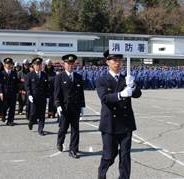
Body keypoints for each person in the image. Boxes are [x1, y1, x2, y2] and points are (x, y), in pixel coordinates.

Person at [96, 50, 142, 179]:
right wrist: (120, 95)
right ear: (107, 62)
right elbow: (104, 98)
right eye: (114, 60)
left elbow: (138, 94)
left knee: (125, 155)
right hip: (110, 123)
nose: (117, 63)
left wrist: (132, 86)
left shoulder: (126, 78)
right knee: (109, 155)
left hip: (126, 122)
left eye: (119, 60)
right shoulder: (102, 80)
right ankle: (102, 174)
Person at [54, 54, 85, 159]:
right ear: (64, 64)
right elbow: (57, 93)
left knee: (75, 129)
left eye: (72, 64)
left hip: (75, 108)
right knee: (63, 128)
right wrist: (58, 105)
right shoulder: (59, 77)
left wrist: (82, 107)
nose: (70, 66)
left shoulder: (78, 77)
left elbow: (81, 93)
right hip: (64, 108)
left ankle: (73, 149)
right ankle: (60, 142)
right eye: (68, 63)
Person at [25, 57, 49, 136]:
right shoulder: (29, 75)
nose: (38, 66)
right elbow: (27, 86)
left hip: (42, 98)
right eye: (37, 65)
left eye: (40, 64)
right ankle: (31, 122)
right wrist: (29, 95)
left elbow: (47, 87)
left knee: (42, 115)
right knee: (33, 113)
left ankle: (40, 129)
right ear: (34, 66)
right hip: (33, 98)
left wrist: (48, 96)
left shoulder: (44, 75)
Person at [0, 58, 19, 126]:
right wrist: (0, 92)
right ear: (4, 65)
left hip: (12, 93)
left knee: (12, 108)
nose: (9, 65)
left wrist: (17, 92)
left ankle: (10, 121)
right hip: (5, 93)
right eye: (7, 64)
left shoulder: (14, 73)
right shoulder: (1, 73)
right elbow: (0, 83)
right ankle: (3, 115)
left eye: (10, 63)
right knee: (5, 107)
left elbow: (16, 83)